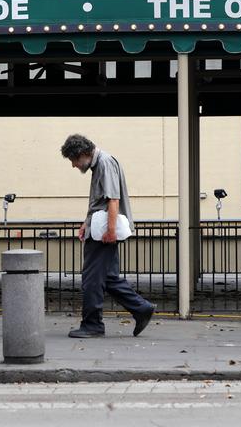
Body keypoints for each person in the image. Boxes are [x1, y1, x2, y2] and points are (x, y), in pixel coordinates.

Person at [60, 134, 155, 338]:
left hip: (103, 233)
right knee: (109, 278)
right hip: (100, 228)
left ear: (83, 154)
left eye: (73, 160)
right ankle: (141, 308)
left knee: (92, 278)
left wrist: (110, 231)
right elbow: (100, 202)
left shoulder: (104, 163)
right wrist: (86, 223)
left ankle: (93, 324)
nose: (74, 165)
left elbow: (113, 200)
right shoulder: (100, 164)